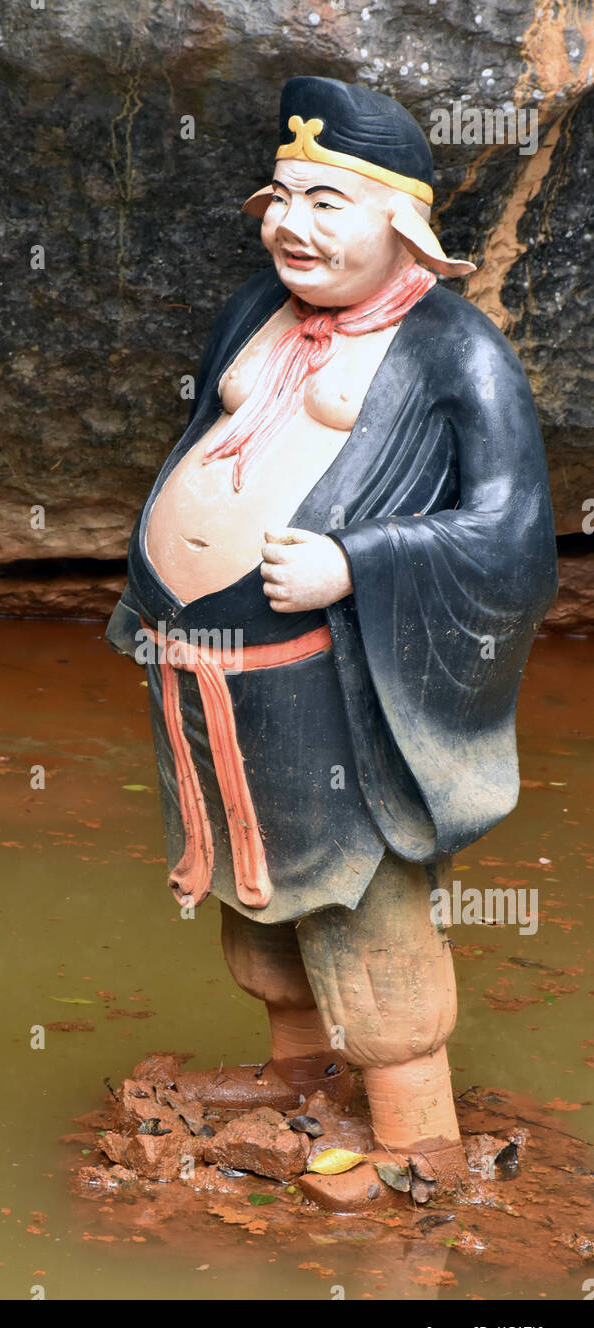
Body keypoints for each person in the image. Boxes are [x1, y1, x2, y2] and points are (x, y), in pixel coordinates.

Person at [106, 77, 558, 1207]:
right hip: (207, 677)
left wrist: (359, 562)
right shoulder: (252, 307)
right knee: (251, 889)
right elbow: (207, 441)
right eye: (281, 195)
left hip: (331, 684)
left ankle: (413, 1130)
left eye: (326, 201)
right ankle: (295, 1075)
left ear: (401, 226)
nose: (289, 224)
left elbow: (512, 537)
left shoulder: (458, 351)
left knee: (361, 891)